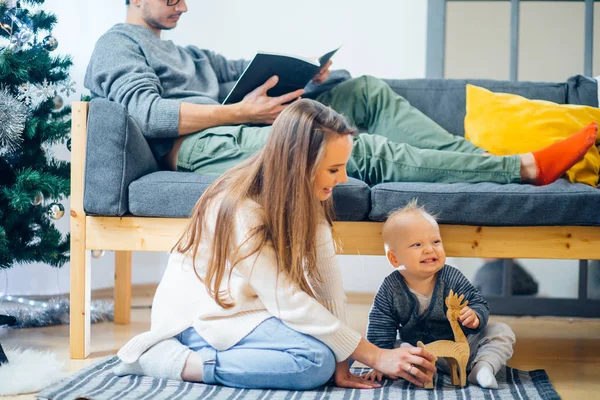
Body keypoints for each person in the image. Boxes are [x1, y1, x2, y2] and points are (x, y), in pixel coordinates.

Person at [84, 0, 598, 188]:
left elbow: (242, 70)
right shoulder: (117, 45)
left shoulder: (188, 52)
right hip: (197, 148)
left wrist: (306, 75)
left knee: (365, 92)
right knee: (350, 146)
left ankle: (484, 162)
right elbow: (147, 114)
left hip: (245, 119)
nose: (185, 6)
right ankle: (523, 170)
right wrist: (241, 110)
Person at [113, 99, 438, 390]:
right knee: (313, 362)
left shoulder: (309, 196)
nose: (343, 179)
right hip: (201, 318)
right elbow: (288, 300)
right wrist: (375, 356)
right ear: (300, 166)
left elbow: (327, 283)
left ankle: (280, 358)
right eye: (334, 169)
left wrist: (344, 362)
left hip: (255, 309)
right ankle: (174, 361)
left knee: (325, 358)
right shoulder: (239, 209)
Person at [364, 200, 515, 388]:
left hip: (462, 349)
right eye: (417, 244)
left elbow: (477, 302)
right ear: (394, 258)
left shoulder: (451, 277)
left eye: (436, 241)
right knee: (395, 346)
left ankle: (483, 368)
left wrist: (474, 315)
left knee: (500, 331)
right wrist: (380, 362)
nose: (430, 249)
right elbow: (380, 327)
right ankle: (417, 369)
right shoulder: (390, 288)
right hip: (419, 352)